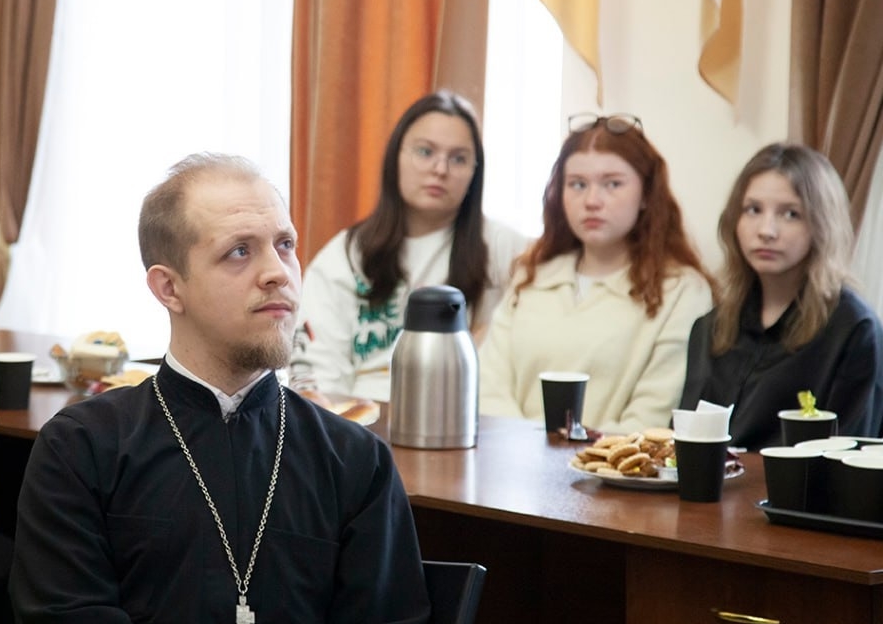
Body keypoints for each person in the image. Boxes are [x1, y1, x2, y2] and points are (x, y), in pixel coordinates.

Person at [9, 153, 429, 624]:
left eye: (285, 244)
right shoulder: (81, 448)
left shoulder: (356, 459)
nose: (278, 272)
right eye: (240, 251)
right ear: (169, 288)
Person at [478, 114, 715, 434]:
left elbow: (652, 415)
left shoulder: (680, 289)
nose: (592, 201)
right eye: (577, 184)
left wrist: (579, 453)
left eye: (612, 184)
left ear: (646, 194)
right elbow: (489, 388)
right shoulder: (530, 276)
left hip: (614, 462)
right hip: (510, 455)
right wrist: (525, 447)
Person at [290, 90, 528, 402]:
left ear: (475, 172)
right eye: (425, 152)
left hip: (465, 411)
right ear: (395, 158)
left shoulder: (503, 247)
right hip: (363, 418)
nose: (440, 169)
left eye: (459, 158)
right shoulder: (346, 256)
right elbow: (317, 378)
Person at [679, 143, 883, 448]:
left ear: (822, 225)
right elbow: (683, 446)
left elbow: (850, 457)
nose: (767, 230)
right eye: (753, 209)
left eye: (791, 214)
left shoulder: (854, 330)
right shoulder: (710, 327)